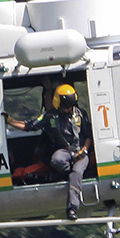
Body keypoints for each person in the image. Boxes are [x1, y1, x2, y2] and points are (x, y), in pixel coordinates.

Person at [24, 83, 90, 220]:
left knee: (77, 173)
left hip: (81, 153)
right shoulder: (51, 116)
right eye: (65, 107)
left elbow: (88, 135)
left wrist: (84, 150)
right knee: (57, 160)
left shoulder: (81, 114)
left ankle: (72, 208)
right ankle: (65, 174)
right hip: (65, 152)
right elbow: (30, 126)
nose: (67, 110)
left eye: (69, 107)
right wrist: (9, 121)